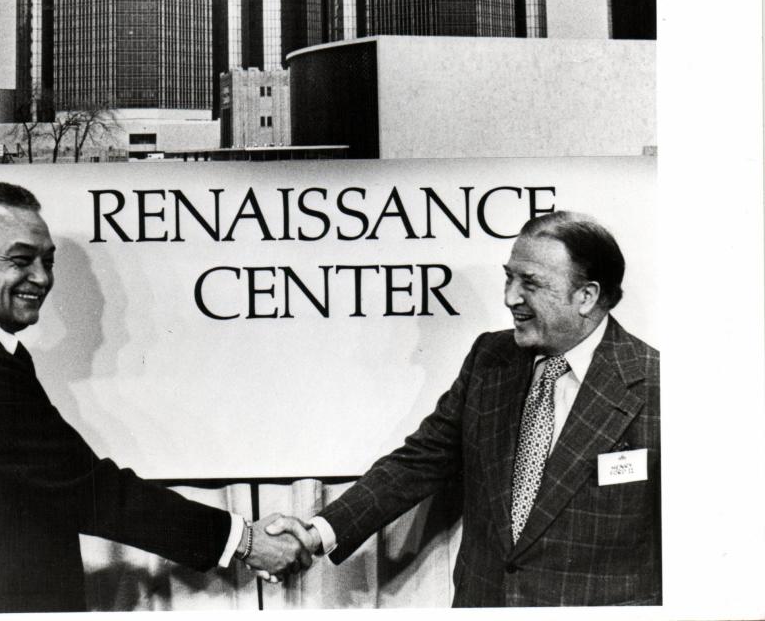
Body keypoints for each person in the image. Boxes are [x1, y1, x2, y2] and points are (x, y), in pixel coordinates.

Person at [0, 181, 312, 613]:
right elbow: (88, 490)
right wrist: (242, 541)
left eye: (47, 261)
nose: (41, 278)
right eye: (21, 260)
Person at [270, 210, 661, 607]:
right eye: (509, 277)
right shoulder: (490, 360)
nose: (510, 297)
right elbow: (419, 462)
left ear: (587, 296)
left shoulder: (660, 386)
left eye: (530, 283)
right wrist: (316, 532)